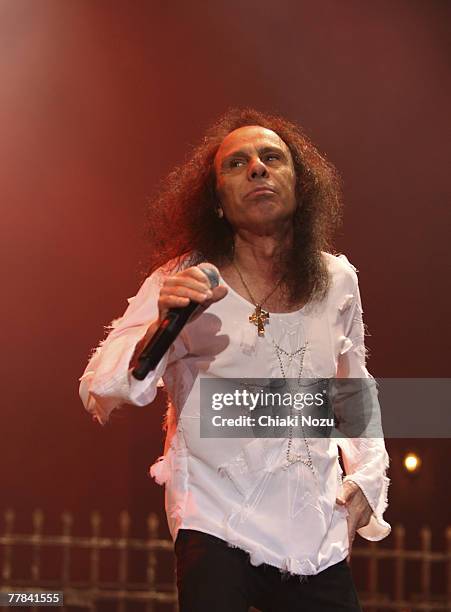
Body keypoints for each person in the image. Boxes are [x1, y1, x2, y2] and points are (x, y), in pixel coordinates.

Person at [79, 108, 390, 611]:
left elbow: (352, 388)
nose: (258, 169)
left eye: (272, 158)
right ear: (217, 203)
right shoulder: (182, 278)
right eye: (237, 164)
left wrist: (366, 482)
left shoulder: (337, 281)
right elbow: (102, 389)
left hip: (313, 529)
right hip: (215, 519)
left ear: (300, 186)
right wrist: (164, 323)